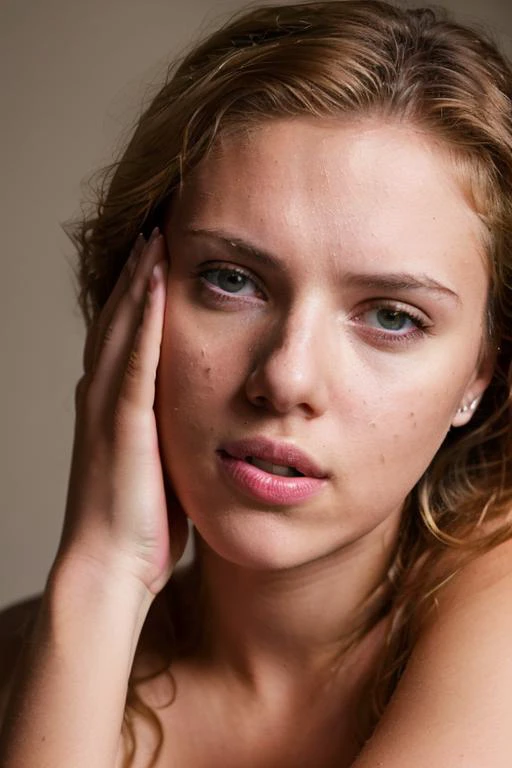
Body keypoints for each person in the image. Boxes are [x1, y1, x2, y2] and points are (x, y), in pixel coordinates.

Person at [1, 1, 512, 765]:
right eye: (233, 279)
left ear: (483, 369)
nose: (286, 377)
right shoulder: (30, 668)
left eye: (394, 318)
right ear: (129, 297)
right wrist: (102, 574)